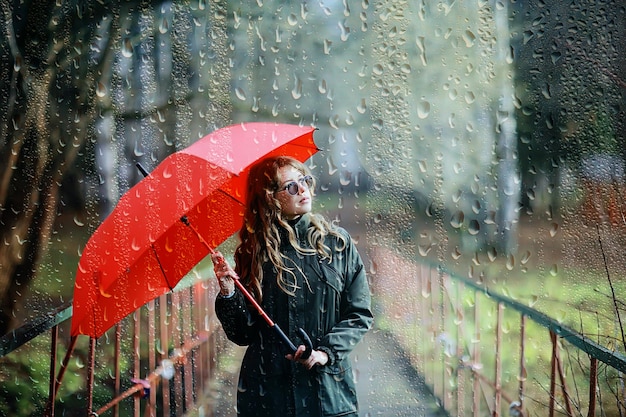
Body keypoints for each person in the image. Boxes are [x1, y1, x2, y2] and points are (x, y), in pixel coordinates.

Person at [211, 155, 373, 417]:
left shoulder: (337, 243)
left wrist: (325, 352)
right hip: (267, 398)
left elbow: (359, 313)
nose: (303, 189)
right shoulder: (253, 252)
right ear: (270, 198)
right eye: (290, 186)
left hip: (328, 394)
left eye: (304, 180)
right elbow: (242, 334)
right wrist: (228, 292)